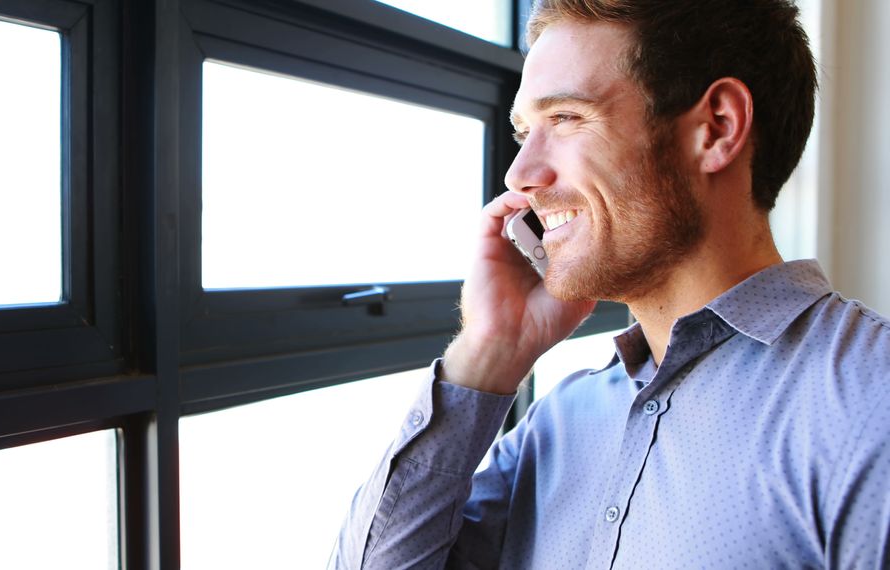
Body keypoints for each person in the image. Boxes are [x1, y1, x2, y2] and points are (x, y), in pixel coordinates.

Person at [330, 0, 890, 568]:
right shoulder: (559, 424)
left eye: (566, 118)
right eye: (525, 132)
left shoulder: (872, 406)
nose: (519, 174)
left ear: (717, 128)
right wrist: (488, 350)